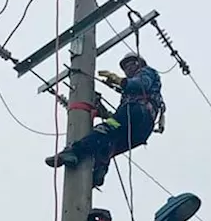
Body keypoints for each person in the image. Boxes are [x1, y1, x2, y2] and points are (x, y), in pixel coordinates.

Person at [45, 52, 166, 187]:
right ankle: (98, 171)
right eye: (125, 67)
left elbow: (141, 84)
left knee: (104, 129)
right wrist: (102, 110)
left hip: (138, 111)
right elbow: (120, 118)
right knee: (109, 142)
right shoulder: (129, 93)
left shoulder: (146, 72)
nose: (127, 69)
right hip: (140, 131)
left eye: (130, 64)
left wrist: (120, 80)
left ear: (138, 63)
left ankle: (73, 152)